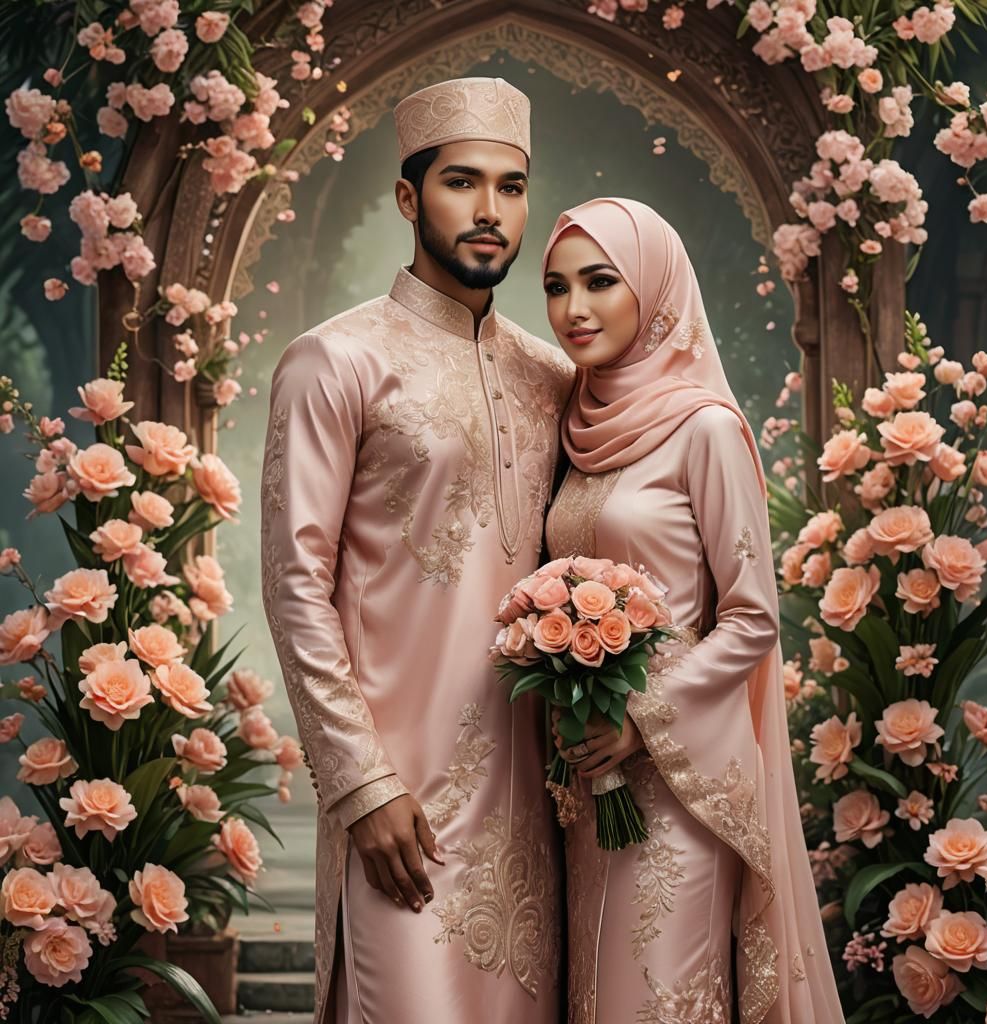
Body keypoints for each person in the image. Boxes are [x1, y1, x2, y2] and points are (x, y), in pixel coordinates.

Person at [260, 77, 574, 1024]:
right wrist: (360, 781)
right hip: (404, 804)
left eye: (511, 188)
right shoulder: (336, 361)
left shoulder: (552, 374)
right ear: (409, 198)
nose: (489, 212)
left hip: (542, 813)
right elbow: (293, 585)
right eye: (461, 183)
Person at [541, 198, 846, 1023]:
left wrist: (641, 715)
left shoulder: (705, 429)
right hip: (593, 774)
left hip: (682, 779)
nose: (575, 308)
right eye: (557, 286)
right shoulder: (578, 429)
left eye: (601, 281)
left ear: (655, 287)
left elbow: (754, 616)